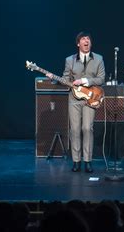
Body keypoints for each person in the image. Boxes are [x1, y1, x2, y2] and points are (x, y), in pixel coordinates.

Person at [48, 31, 105, 173]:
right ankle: (76, 161)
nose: (86, 41)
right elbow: (66, 79)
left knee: (87, 128)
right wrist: (54, 79)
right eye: (83, 39)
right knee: (75, 130)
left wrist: (85, 81)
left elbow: (101, 79)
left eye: (88, 39)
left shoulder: (98, 59)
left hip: (90, 98)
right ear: (78, 43)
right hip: (74, 99)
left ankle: (88, 160)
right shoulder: (70, 60)